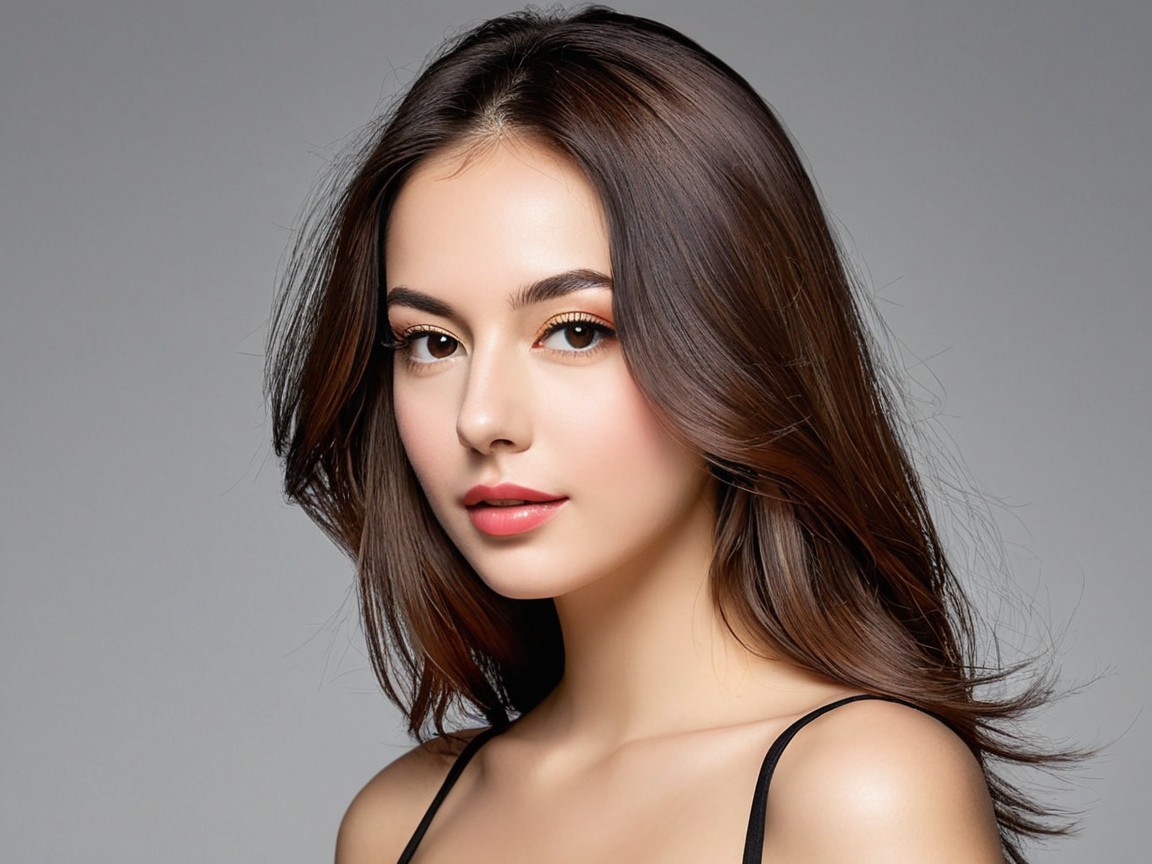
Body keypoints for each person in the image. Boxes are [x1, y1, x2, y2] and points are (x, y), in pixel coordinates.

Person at [266, 7, 1071, 862]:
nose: (482, 417)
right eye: (433, 343)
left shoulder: (860, 789)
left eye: (576, 331)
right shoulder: (397, 824)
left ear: (731, 346)